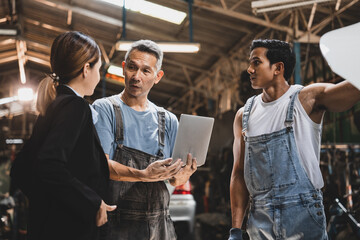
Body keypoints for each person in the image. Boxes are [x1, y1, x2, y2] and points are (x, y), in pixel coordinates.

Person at [229, 39, 360, 240]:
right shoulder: (243, 116)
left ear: (277, 68)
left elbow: (352, 90)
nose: (249, 69)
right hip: (260, 220)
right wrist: (236, 229)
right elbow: (238, 173)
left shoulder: (306, 99)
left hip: (303, 215)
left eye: (256, 62)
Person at [10, 31, 117, 240]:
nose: (99, 75)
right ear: (86, 69)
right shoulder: (75, 106)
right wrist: (92, 202)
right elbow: (49, 164)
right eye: (99, 68)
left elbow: (21, 168)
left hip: (50, 226)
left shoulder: (55, 105)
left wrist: (46, 203)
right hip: (68, 229)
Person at [92, 39, 197, 240]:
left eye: (146, 71)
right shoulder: (104, 109)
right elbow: (100, 166)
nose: (136, 76)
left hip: (159, 227)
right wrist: (143, 174)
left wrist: (186, 174)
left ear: (158, 77)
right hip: (116, 224)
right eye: (132, 67)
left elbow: (175, 179)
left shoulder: (168, 120)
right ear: (123, 68)